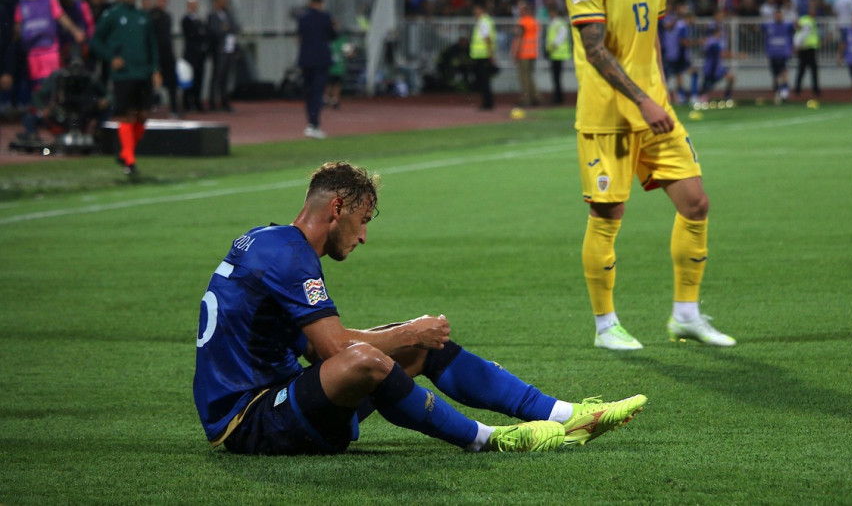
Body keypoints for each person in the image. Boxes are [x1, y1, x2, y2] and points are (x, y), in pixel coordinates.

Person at [193, 161, 647, 455]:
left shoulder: (271, 242)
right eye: (362, 221)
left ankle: (566, 416)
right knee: (373, 356)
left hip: (281, 395)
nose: (364, 236)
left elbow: (314, 350)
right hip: (250, 419)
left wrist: (406, 337)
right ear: (337, 207)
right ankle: (486, 441)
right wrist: (408, 332)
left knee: (410, 348)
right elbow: (333, 351)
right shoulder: (291, 255)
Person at [565, 0, 735, 351]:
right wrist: (642, 99)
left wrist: (661, 94)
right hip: (608, 117)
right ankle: (606, 327)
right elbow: (596, 51)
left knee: (696, 203)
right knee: (607, 214)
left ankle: (686, 315)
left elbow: (651, 42)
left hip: (656, 110)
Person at [89, 0, 161, 175]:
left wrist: (155, 69)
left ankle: (125, 152)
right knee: (126, 116)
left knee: (143, 116)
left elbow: (152, 44)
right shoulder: (112, 14)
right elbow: (95, 40)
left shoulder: (143, 16)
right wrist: (111, 57)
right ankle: (130, 160)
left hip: (143, 72)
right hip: (124, 74)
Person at [13, 0, 86, 143]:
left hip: (49, 49)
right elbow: (17, 27)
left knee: (53, 85)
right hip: (32, 53)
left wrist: (75, 30)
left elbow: (61, 17)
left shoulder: (48, 0)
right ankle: (36, 126)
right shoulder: (21, 5)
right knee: (38, 90)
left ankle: (54, 125)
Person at [296, 0, 337, 139]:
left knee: (308, 92)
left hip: (306, 59)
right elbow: (333, 35)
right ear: (321, 2)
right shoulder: (325, 17)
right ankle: (315, 124)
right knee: (318, 93)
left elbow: (299, 37)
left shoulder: (302, 18)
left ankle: (310, 124)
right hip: (321, 59)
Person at [206, 0, 239, 112]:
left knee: (225, 77)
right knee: (216, 77)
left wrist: (226, 28)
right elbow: (214, 31)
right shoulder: (212, 15)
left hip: (228, 49)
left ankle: (225, 102)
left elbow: (236, 27)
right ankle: (212, 102)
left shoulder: (228, 14)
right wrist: (225, 28)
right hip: (218, 50)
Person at [149, 0, 179, 118]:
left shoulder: (167, 15)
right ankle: (149, 105)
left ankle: (174, 108)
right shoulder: (151, 15)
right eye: (161, 0)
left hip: (167, 53)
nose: (163, 3)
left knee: (172, 82)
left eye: (165, 0)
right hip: (156, 53)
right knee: (151, 82)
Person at [696, 15, 737, 105]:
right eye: (720, 32)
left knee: (731, 77)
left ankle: (727, 96)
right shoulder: (713, 42)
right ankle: (699, 98)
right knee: (708, 85)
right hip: (712, 68)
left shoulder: (711, 41)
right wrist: (737, 56)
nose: (721, 34)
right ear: (716, 33)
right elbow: (721, 53)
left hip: (716, 67)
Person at [661, 4, 693, 105]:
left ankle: (678, 96)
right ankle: (691, 95)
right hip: (675, 53)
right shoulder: (680, 25)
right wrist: (697, 43)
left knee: (675, 75)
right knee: (667, 75)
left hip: (673, 53)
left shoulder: (677, 23)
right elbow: (682, 41)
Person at [180, 0, 208, 112]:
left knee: (199, 78)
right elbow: (192, 34)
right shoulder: (186, 19)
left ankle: (197, 101)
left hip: (200, 55)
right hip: (190, 54)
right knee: (188, 78)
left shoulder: (199, 19)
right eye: (192, 4)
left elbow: (204, 33)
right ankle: (187, 102)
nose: (194, 7)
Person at [511, 0, 540, 107]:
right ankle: (536, 97)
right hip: (532, 53)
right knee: (530, 77)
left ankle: (527, 99)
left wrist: (515, 53)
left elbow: (519, 38)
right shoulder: (533, 21)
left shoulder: (522, 22)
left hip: (523, 54)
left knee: (524, 78)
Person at [469, 2, 496, 110]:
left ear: (481, 10)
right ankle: (487, 103)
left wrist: (491, 55)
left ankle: (487, 104)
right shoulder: (484, 21)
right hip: (482, 55)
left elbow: (487, 38)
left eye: (477, 10)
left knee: (484, 81)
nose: (475, 12)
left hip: (483, 56)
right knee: (484, 81)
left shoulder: (483, 21)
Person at [763, 7, 794, 104]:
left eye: (780, 15)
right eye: (777, 15)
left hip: (783, 53)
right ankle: (778, 91)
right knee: (775, 75)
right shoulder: (769, 26)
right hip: (773, 53)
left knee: (784, 72)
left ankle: (784, 91)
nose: (778, 17)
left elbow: (795, 29)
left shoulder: (787, 26)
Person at [544, 3, 572, 105]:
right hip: (555, 54)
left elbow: (560, 38)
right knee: (556, 78)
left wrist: (550, 48)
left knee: (557, 77)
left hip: (558, 54)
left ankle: (558, 97)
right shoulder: (556, 23)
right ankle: (557, 96)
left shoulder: (559, 23)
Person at [793, 2, 820, 97]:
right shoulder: (806, 20)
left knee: (805, 69)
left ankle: (799, 89)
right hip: (805, 48)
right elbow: (800, 34)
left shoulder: (810, 20)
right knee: (806, 69)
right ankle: (812, 90)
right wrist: (797, 45)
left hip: (811, 47)